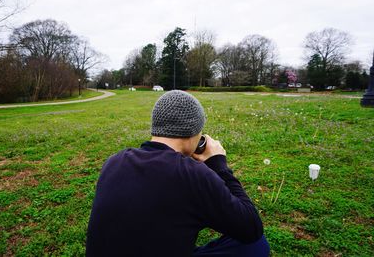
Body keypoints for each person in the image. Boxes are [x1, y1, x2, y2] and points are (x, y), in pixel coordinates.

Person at [86, 90, 270, 257]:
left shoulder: (114, 161)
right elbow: (251, 227)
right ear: (193, 134)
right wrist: (218, 164)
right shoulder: (193, 175)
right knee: (256, 245)